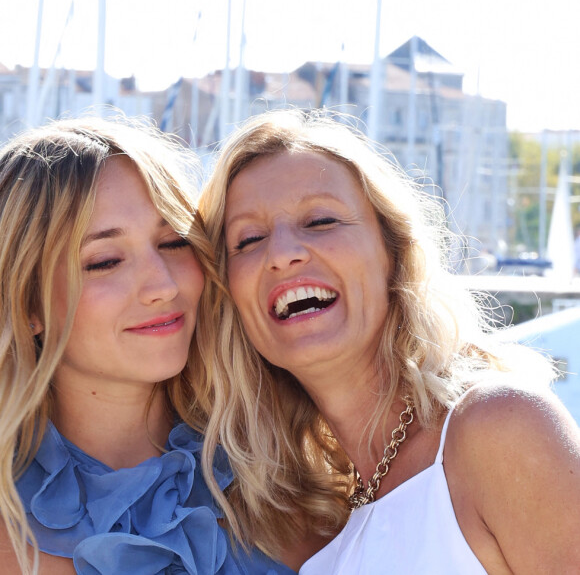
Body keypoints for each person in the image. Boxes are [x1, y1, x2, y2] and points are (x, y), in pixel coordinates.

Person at [199, 109, 580, 573]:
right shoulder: (315, 522)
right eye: (250, 239)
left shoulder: (499, 427)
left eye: (320, 221)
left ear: (393, 253)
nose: (282, 253)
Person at [0, 117, 295, 575]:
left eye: (173, 241)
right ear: (27, 303)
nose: (162, 285)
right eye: (105, 261)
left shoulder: (287, 471)